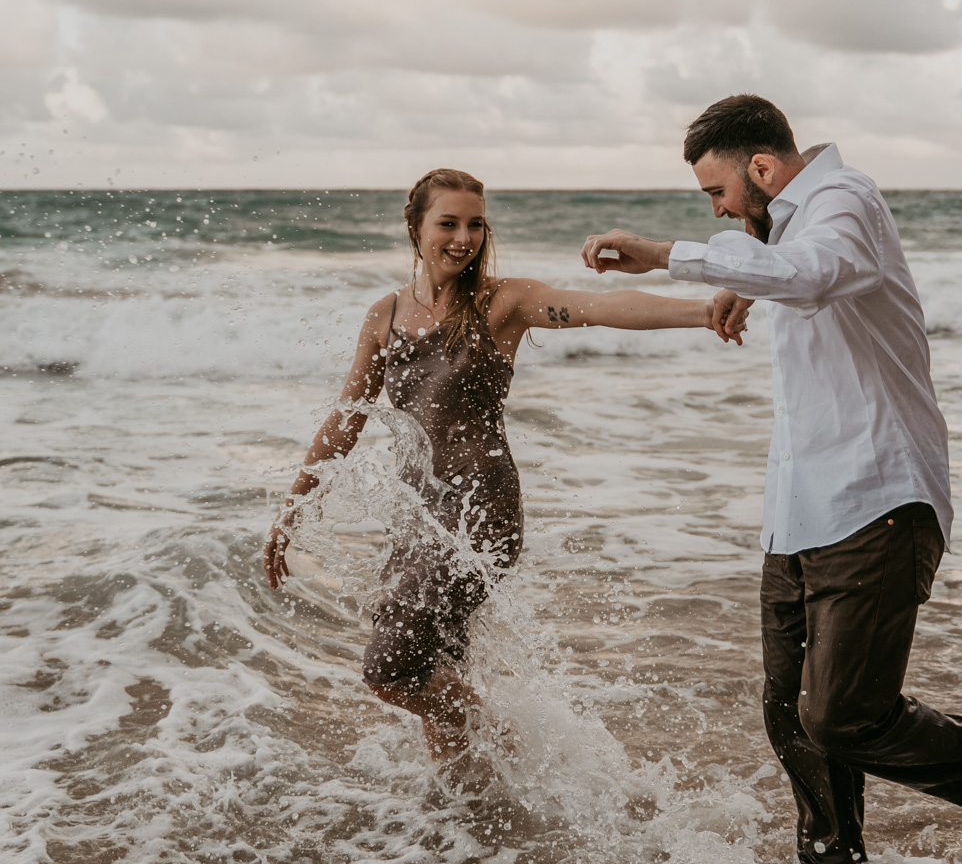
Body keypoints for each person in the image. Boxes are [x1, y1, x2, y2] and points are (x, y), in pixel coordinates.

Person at [581, 95, 962, 864]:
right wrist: (750, 284)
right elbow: (799, 270)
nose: (723, 213)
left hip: (877, 501)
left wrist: (671, 252)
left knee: (842, 717)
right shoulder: (792, 232)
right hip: (798, 514)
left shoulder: (842, 197)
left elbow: (823, 268)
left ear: (762, 168)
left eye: (719, 195)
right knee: (788, 714)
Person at [263, 166, 739, 758]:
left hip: (482, 512)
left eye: (476, 225)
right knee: (437, 668)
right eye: (449, 223)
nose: (463, 238)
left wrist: (702, 312)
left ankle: (507, 739)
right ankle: (467, 804)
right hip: (419, 520)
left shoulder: (502, 303)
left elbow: (601, 306)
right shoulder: (384, 315)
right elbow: (345, 420)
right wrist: (295, 507)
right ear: (416, 227)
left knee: (391, 668)